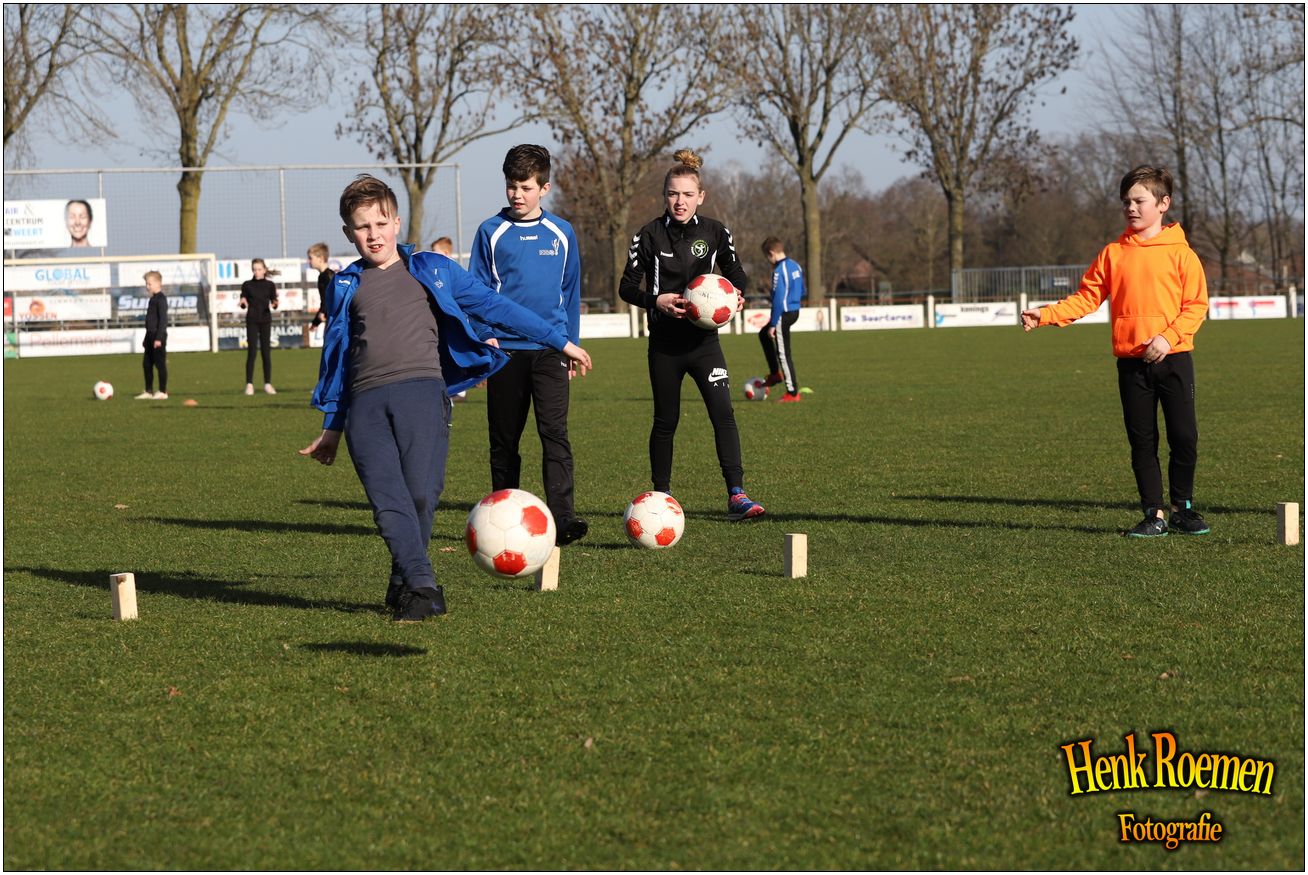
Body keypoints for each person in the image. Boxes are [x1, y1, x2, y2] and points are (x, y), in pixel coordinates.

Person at [298, 174, 593, 623]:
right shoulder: (343, 285)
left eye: (381, 223)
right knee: (388, 502)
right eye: (362, 227)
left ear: (397, 223)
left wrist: (559, 340)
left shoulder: (432, 269)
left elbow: (496, 307)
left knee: (420, 497)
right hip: (365, 407)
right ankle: (423, 587)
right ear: (348, 233)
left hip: (422, 395)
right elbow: (337, 361)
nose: (373, 235)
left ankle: (403, 580)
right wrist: (333, 426)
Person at [1021, 165, 1210, 538]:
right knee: (1143, 442)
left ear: (1163, 204)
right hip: (1132, 365)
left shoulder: (1182, 254)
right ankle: (1153, 514)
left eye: (1139, 201)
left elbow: (1196, 306)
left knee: (1184, 438)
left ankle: (1183, 509)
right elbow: (1086, 298)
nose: (1131, 208)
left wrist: (1168, 338)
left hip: (1174, 360)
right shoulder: (1112, 254)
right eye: (1126, 202)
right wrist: (1046, 315)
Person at [618, 148, 765, 521]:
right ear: (664, 195)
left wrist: (737, 294)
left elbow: (736, 271)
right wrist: (656, 301)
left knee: (723, 413)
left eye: (687, 194)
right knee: (666, 420)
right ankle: (661, 496)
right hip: (665, 346)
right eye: (672, 194)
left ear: (701, 196)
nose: (679, 201)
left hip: (704, 345)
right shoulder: (648, 235)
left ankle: (737, 494)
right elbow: (626, 287)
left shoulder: (715, 231)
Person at [468, 144, 588, 546]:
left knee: (555, 433)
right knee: (504, 440)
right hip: (504, 353)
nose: (517, 194)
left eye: (525, 187)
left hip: (551, 351)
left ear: (544, 188)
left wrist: (571, 345)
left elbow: (570, 293)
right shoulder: (490, 232)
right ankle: (501, 515)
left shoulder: (562, 233)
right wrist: (483, 338)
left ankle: (563, 518)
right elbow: (476, 293)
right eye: (511, 186)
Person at [759, 236, 806, 402]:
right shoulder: (795, 265)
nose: (769, 261)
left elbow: (778, 299)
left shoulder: (779, 271)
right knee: (763, 334)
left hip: (783, 314)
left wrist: (773, 323)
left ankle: (792, 393)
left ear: (771, 253)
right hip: (794, 310)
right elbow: (803, 290)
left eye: (767, 257)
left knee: (784, 354)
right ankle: (775, 374)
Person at [240, 258, 279, 395]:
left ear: (264, 270)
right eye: (254, 269)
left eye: (259, 269)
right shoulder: (247, 285)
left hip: (265, 320)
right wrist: (243, 303)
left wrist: (275, 303)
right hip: (252, 320)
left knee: (266, 352)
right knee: (251, 352)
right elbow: (243, 300)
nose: (256, 272)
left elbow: (274, 301)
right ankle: (249, 384)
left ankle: (267, 384)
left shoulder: (270, 285)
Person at [136, 270, 168, 400]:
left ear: (158, 283)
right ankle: (148, 391)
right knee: (146, 364)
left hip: (158, 337)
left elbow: (163, 320)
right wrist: (146, 339)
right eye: (146, 284)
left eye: (149, 284)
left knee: (160, 364)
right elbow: (150, 321)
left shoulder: (161, 299)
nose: (147, 286)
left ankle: (162, 391)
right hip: (150, 336)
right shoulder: (152, 299)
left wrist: (159, 338)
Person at [307, 243, 335, 332]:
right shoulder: (324, 276)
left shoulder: (327, 276)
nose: (308, 261)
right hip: (331, 316)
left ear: (320, 258)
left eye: (310, 258)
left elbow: (330, 298)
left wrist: (323, 312)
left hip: (335, 318)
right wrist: (316, 322)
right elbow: (324, 301)